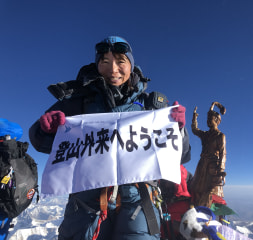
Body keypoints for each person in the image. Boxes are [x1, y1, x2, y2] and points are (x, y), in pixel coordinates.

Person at [29, 36, 191, 240]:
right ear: (97, 66)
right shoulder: (76, 102)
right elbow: (40, 142)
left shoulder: (152, 105)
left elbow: (181, 156)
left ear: (131, 65)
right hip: (87, 205)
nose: (113, 69)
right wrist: (45, 129)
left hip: (139, 203)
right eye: (104, 62)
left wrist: (179, 130)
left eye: (120, 61)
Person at [190, 102, 227, 208]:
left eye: (209, 118)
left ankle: (206, 212)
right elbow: (194, 130)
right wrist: (194, 118)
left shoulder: (220, 136)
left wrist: (220, 170)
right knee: (196, 189)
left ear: (216, 120)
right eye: (207, 119)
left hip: (212, 167)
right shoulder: (205, 135)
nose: (207, 121)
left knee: (210, 192)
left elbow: (223, 154)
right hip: (202, 166)